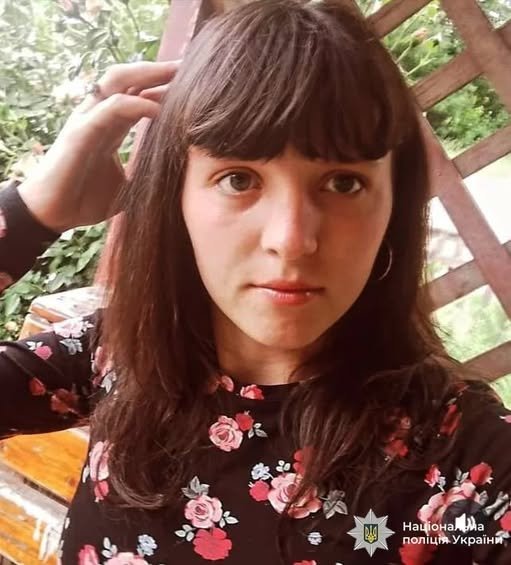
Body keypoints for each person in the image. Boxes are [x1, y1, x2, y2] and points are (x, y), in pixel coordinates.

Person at [0, 0, 510, 564]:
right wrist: (30, 214)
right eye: (238, 179)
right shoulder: (117, 354)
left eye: (343, 183)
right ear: (176, 199)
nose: (291, 240)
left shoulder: (468, 460)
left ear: (393, 207)